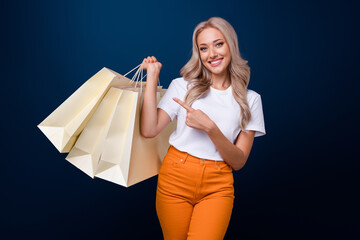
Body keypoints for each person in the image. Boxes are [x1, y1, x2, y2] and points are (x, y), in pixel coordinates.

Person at [140, 17, 265, 240]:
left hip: (218, 186)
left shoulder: (250, 100)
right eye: (203, 48)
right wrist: (152, 77)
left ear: (231, 45)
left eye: (219, 44)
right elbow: (149, 129)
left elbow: (238, 162)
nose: (212, 54)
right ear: (199, 54)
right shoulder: (183, 85)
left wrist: (210, 128)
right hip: (175, 177)